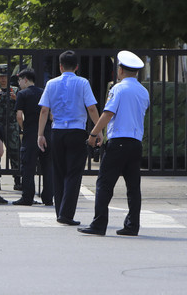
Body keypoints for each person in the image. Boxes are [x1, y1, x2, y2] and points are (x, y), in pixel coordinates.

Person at [78, 50, 149, 236]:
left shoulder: (118, 89)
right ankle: (132, 225)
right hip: (135, 143)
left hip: (118, 142)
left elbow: (108, 113)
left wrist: (94, 133)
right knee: (133, 187)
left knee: (104, 184)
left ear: (121, 70)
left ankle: (99, 224)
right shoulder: (143, 91)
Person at [38, 51, 99, 224]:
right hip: (77, 131)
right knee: (73, 173)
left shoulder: (51, 83)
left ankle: (59, 212)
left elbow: (44, 110)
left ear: (60, 66)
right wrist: (98, 130)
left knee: (58, 171)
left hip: (57, 131)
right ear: (77, 67)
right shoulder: (83, 83)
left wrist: (40, 134)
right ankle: (66, 214)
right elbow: (92, 108)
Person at [13, 68, 53, 206]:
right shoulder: (44, 92)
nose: (19, 83)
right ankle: (48, 198)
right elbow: (51, 115)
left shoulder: (22, 94)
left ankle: (27, 197)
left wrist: (24, 128)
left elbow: (19, 116)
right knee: (48, 166)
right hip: (46, 133)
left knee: (28, 167)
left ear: (25, 79)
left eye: (19, 80)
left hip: (30, 134)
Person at [0, 64, 21, 191]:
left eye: (5, 77)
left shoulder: (15, 90)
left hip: (12, 125)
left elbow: (21, 105)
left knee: (15, 153)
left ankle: (17, 180)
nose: (3, 79)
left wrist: (15, 98)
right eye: (1, 77)